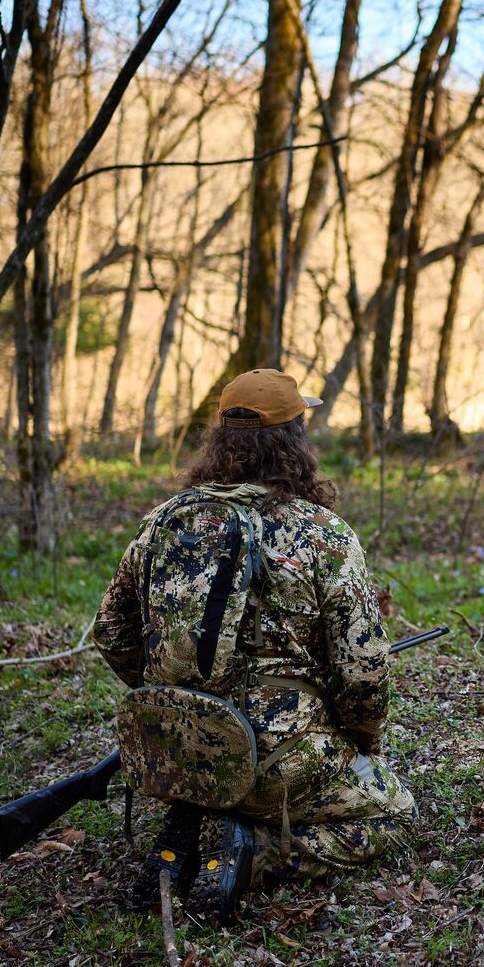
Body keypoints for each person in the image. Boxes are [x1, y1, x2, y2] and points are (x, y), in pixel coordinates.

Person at [90, 369, 414, 917]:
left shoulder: (165, 522)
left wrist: (177, 702)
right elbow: (363, 674)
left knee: (217, 779)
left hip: (178, 750)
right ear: (296, 440)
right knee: (396, 817)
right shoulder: (322, 534)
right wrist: (360, 741)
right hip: (278, 761)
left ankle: (190, 825)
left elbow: (111, 631)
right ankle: (253, 854)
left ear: (220, 439)